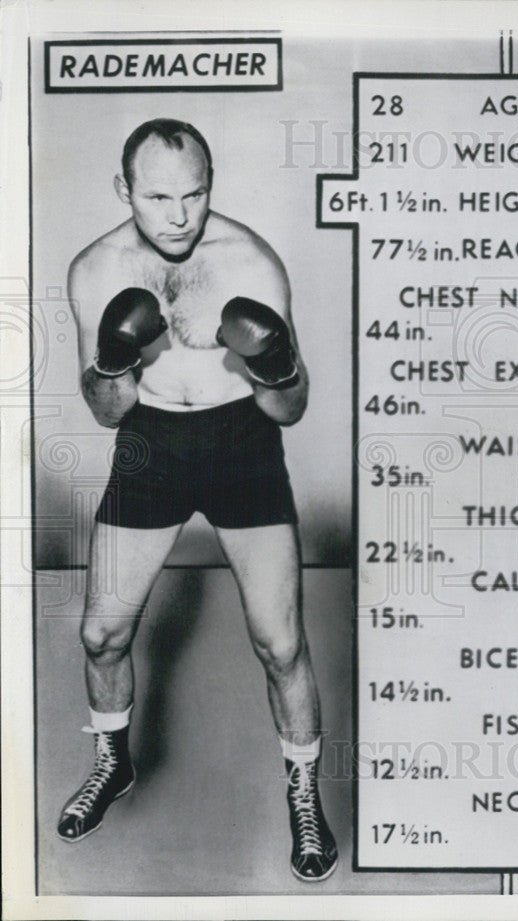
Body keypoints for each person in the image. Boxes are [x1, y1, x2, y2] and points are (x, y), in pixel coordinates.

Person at [58, 118, 338, 882]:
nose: (180, 215)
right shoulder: (94, 269)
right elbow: (108, 410)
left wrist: (276, 364)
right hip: (149, 445)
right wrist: (116, 354)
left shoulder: (250, 262)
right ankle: (113, 762)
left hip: (242, 445)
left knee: (280, 643)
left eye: (195, 194)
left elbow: (291, 410)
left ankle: (305, 794)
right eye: (157, 197)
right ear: (125, 190)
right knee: (101, 636)